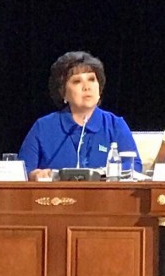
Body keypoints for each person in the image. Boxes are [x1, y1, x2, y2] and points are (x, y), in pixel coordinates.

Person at [18, 51, 142, 181]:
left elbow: (134, 166)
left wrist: (104, 173)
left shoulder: (115, 125)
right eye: (77, 81)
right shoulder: (43, 127)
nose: (87, 87)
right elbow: (23, 171)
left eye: (91, 79)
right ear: (63, 92)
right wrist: (34, 174)